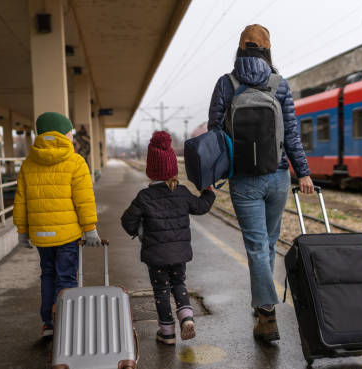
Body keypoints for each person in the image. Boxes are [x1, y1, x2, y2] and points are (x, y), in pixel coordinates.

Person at [208, 24, 314, 342]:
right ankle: (263, 305)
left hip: (243, 180)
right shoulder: (279, 85)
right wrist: (304, 172)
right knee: (268, 245)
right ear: (268, 49)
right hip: (278, 177)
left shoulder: (226, 84)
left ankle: (266, 315)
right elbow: (292, 133)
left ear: (240, 48)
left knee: (256, 247)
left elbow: (215, 133)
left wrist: (212, 175)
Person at [121, 131, 215, 345]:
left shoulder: (144, 197)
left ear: (150, 171)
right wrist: (208, 192)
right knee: (179, 283)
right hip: (179, 253)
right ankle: (187, 317)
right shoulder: (181, 192)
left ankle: (167, 332)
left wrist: (139, 232)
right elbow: (200, 207)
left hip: (155, 255)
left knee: (161, 290)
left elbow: (127, 221)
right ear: (172, 168)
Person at [13, 112, 102, 338]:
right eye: (70, 132)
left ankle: (48, 323)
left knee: (48, 275)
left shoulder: (28, 163)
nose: (72, 136)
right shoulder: (75, 161)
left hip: (41, 235)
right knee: (67, 277)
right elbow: (84, 200)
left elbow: (20, 201)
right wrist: (90, 229)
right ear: (64, 133)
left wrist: (22, 232)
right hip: (67, 235)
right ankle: (67, 322)